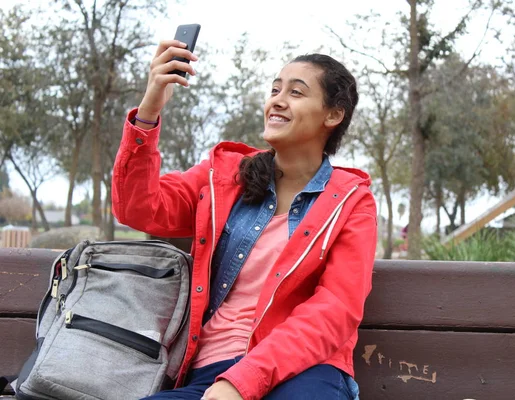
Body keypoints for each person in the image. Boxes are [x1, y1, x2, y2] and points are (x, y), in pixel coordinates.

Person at [112, 39, 378, 400]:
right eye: (274, 89)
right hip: (210, 376)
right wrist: (150, 108)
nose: (277, 100)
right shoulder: (224, 178)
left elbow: (335, 309)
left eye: (296, 93)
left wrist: (245, 379)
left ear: (333, 115)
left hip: (303, 373)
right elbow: (137, 208)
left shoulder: (351, 202)